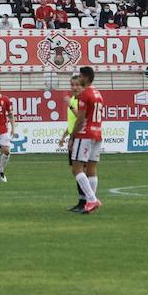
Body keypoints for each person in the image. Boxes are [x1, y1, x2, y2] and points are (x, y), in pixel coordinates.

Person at [70, 66, 103, 214]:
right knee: (91, 169)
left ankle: (91, 199)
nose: (79, 79)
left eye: (80, 77)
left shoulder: (85, 94)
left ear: (85, 77)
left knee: (76, 168)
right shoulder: (98, 94)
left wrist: (72, 136)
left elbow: (81, 119)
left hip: (85, 134)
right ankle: (91, 203)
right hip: (98, 133)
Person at [57, 75, 85, 210]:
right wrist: (64, 136)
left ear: (82, 86)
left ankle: (87, 201)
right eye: (72, 85)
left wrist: (70, 105)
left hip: (82, 138)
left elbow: (81, 118)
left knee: (80, 170)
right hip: (74, 137)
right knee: (76, 171)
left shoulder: (82, 99)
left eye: (77, 85)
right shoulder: (74, 99)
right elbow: (73, 123)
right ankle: (82, 201)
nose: (74, 87)